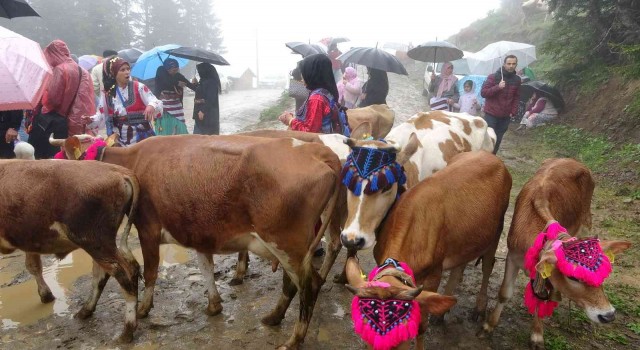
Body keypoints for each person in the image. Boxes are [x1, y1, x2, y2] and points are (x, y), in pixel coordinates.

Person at [28, 40, 95, 159]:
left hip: (57, 124)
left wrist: (42, 97)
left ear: (53, 53)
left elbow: (53, 100)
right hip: (77, 123)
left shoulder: (60, 69)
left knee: (51, 157)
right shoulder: (83, 71)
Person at [85, 56, 162, 146]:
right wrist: (90, 120)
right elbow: (101, 115)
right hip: (120, 141)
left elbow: (155, 101)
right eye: (122, 70)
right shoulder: (108, 94)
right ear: (113, 73)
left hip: (143, 140)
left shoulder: (139, 87)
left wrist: (151, 106)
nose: (127, 72)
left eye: (128, 69)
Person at [278, 54, 340, 133]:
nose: (301, 76)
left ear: (312, 73)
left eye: (303, 72)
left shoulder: (316, 98)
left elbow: (310, 131)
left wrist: (290, 121)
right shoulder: (325, 92)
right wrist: (293, 118)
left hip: (318, 143)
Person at [481, 54, 521, 154]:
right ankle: (483, 158)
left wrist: (513, 111)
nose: (511, 66)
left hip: (505, 116)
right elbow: (484, 93)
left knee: (498, 140)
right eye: (509, 63)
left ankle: (492, 160)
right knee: (489, 139)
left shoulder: (517, 80)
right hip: (491, 114)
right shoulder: (493, 77)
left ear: (516, 65)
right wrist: (497, 87)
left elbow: (516, 97)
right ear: (504, 64)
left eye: (513, 64)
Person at [153, 58, 196, 135]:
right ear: (167, 69)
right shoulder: (161, 73)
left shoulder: (178, 76)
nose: (175, 72)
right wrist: (177, 83)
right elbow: (167, 81)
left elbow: (190, 85)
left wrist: (195, 85)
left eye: (177, 69)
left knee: (180, 129)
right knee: (166, 131)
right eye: (173, 70)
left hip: (177, 108)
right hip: (165, 109)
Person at [91, 49, 118, 135]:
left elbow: (94, 86)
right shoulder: (119, 66)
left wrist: (100, 96)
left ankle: (111, 138)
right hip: (120, 96)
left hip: (104, 99)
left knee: (108, 120)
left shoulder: (96, 69)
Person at [193, 63, 221, 135]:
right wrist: (196, 85)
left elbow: (210, 99)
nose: (199, 73)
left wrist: (203, 111)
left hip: (207, 115)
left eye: (200, 72)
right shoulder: (204, 81)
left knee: (203, 137)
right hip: (200, 113)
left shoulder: (211, 83)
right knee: (199, 136)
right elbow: (201, 93)